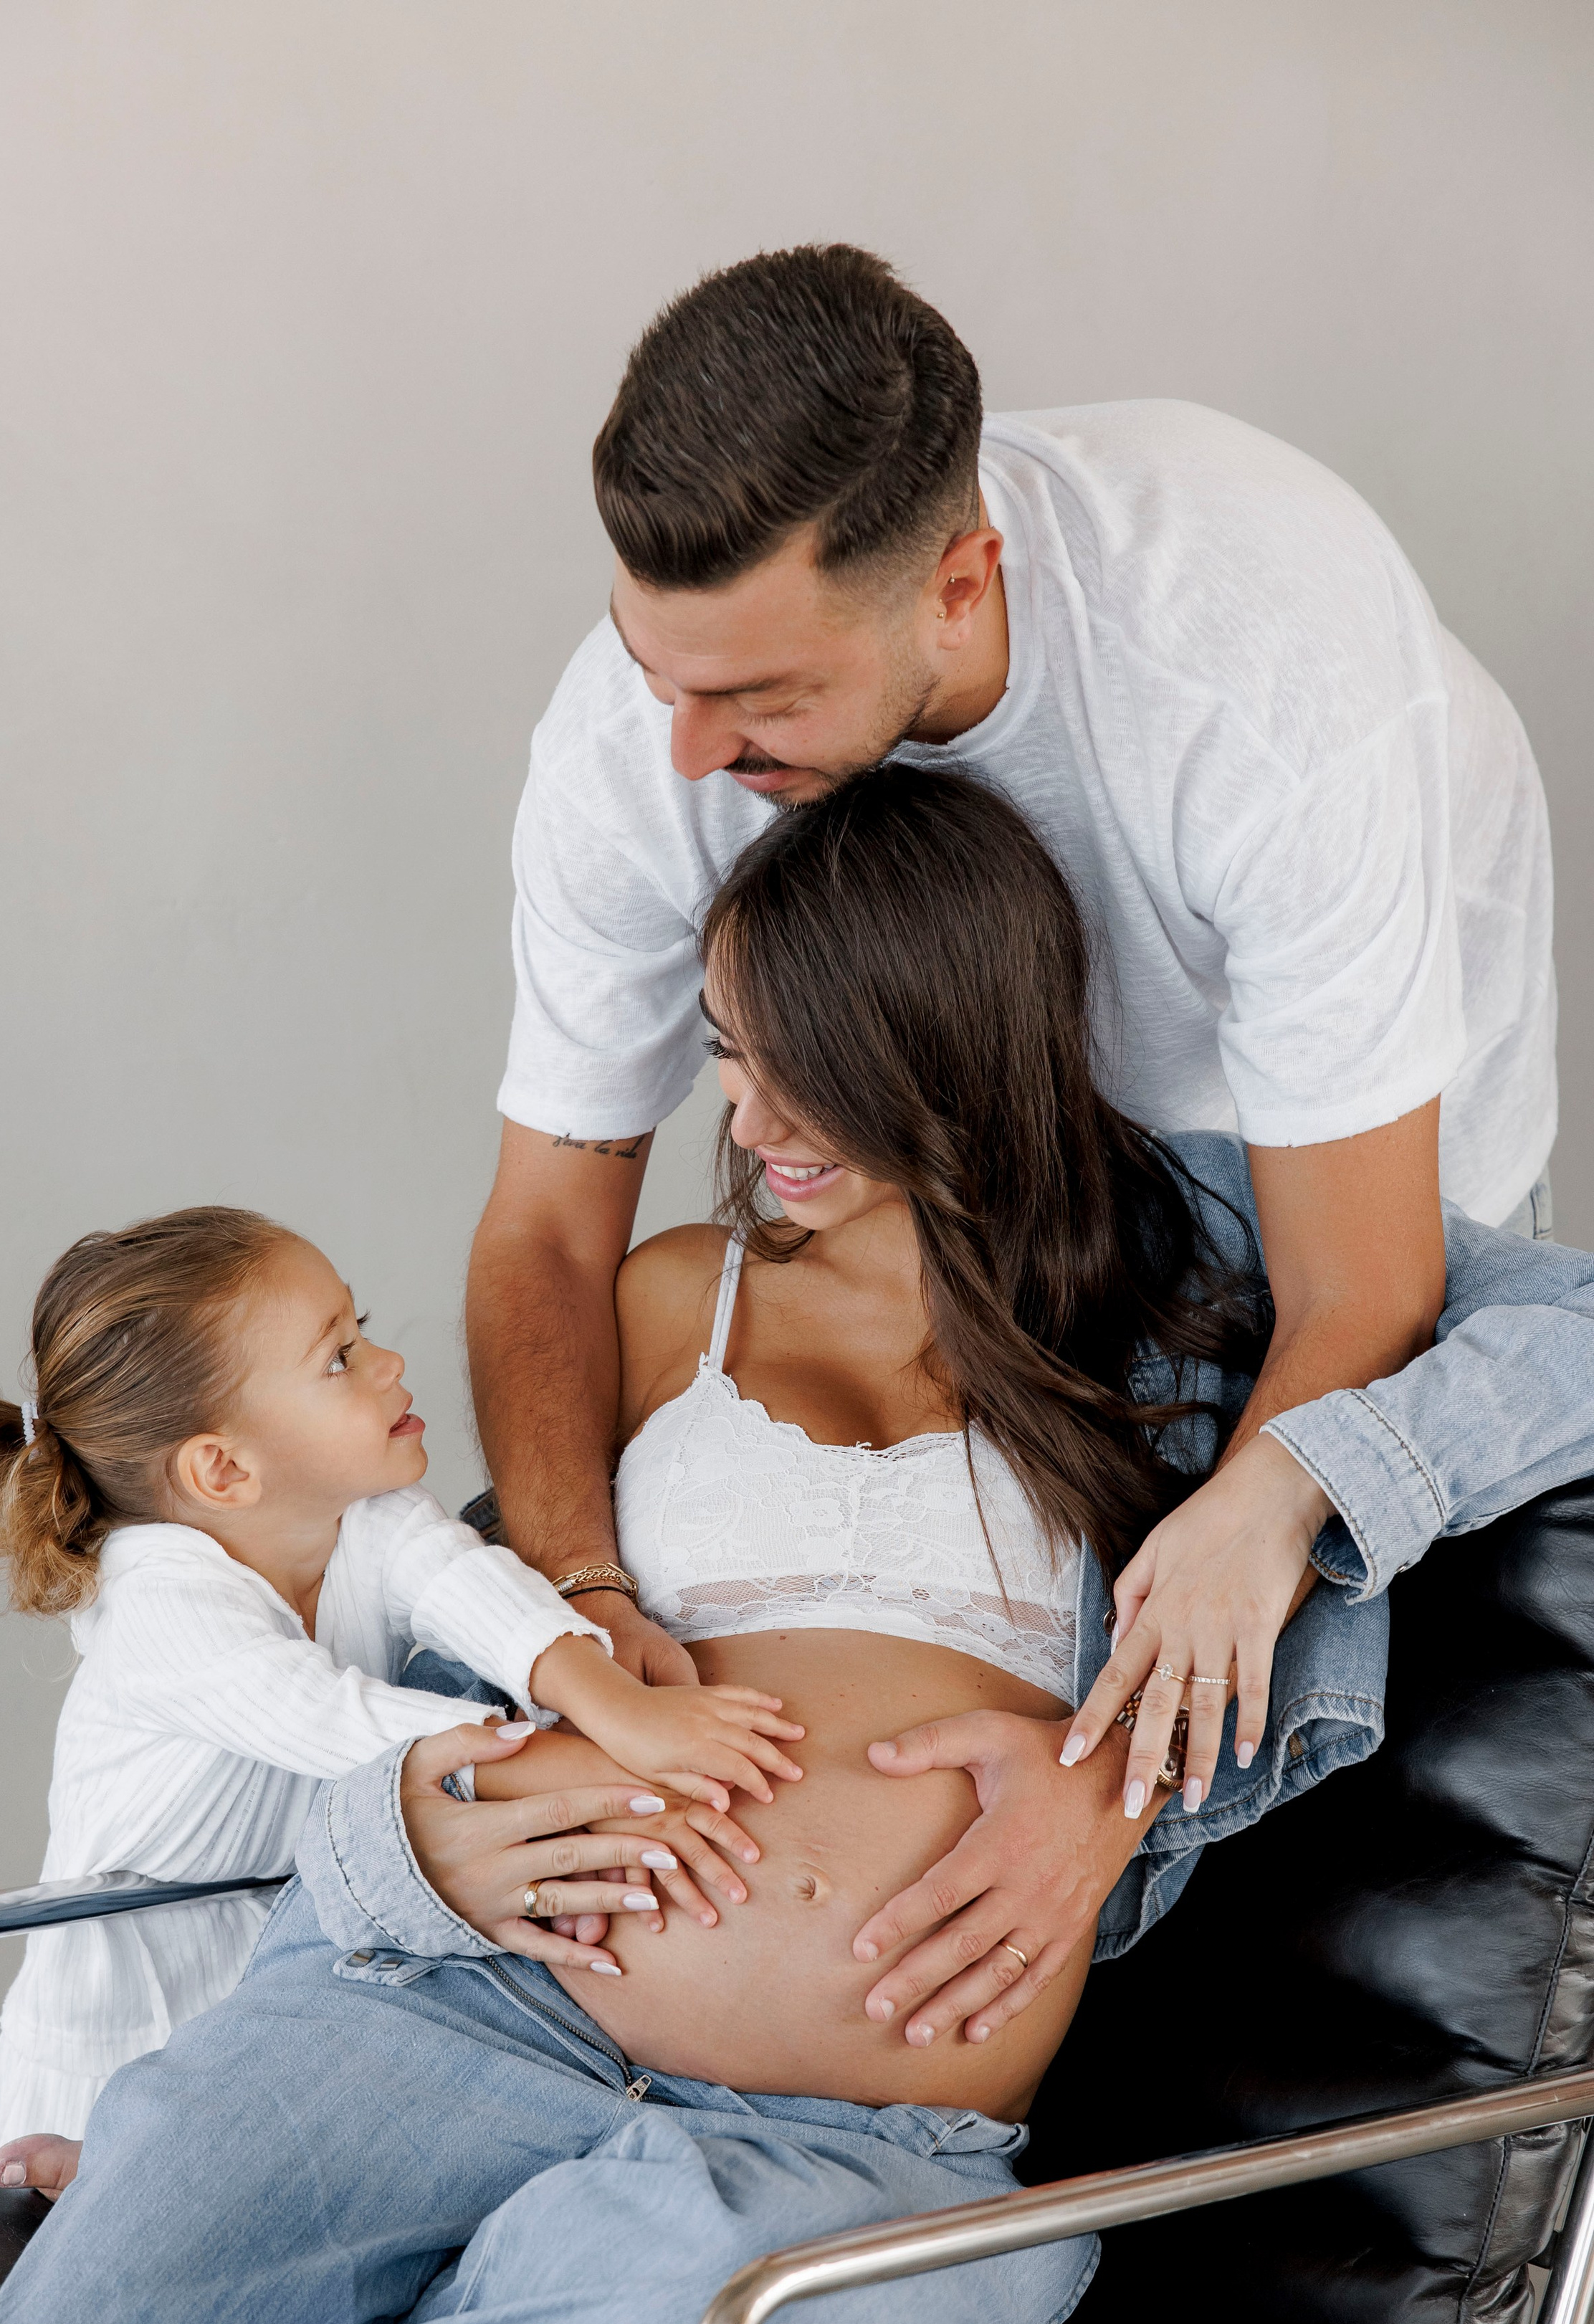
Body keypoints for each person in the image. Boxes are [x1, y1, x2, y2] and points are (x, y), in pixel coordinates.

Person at [0, 771, 1590, 2324]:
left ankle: (171, 2313)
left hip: (852, 2141)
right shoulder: (660, 1303)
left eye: (811, 1079)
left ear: (956, 1060)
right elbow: (428, 1636)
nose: (748, 1128)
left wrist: (1278, 1510)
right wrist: (420, 1836)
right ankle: (146, 2323)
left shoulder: (1173, 1306)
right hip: (456, 2004)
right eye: (729, 1060)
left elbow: (1572, 1335)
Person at [468, 241, 1555, 2044]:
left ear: (959, 582)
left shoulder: (1258, 683)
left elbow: (1358, 1283)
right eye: (654, 668)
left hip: (1289, 1122)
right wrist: (575, 1599)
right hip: (939, 1112)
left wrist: (1123, 1773)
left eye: (755, 702)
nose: (682, 751)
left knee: (1273, 1538)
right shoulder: (656, 730)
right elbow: (546, 1242)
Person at [0, 1204, 798, 2176]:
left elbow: (470, 1586)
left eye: (363, 1331)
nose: (391, 1362)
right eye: (340, 1359)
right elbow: (349, 1726)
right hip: (119, 2030)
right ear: (223, 1468)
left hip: (279, 1983)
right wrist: (616, 1769)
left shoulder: (370, 1513)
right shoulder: (160, 1609)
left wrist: (617, 1704)